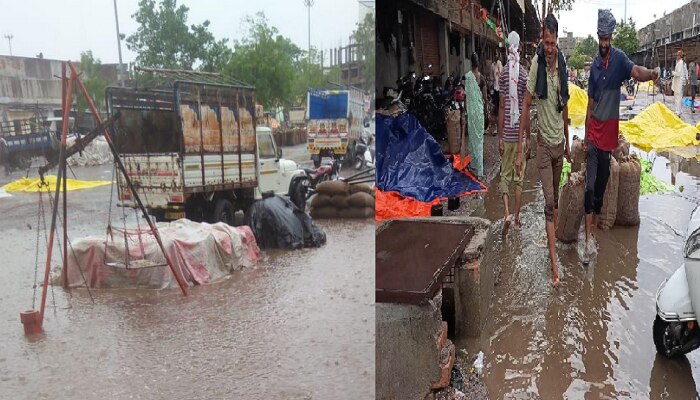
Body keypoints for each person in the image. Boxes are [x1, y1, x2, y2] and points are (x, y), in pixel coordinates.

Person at [582, 9, 659, 264]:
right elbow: (590, 104)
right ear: (597, 37)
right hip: (594, 136)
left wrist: (651, 75)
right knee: (589, 186)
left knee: (601, 188)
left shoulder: (619, 60)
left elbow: (636, 71)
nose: (604, 43)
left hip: (609, 139)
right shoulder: (593, 66)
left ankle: (593, 228)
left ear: (611, 37)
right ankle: (587, 238)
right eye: (600, 39)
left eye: (607, 38)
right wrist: (585, 137)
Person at [516, 13, 570, 286]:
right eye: (546, 43)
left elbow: (566, 105)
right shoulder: (536, 63)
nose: (549, 48)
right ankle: (553, 264)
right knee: (549, 202)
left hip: (560, 145)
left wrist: (569, 143)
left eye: (553, 43)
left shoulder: (562, 64)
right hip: (543, 147)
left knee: (556, 201)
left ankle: (551, 244)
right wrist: (521, 146)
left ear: (557, 40)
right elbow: (525, 104)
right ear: (542, 39)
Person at [498, 31, 529, 233]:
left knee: (504, 176)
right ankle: (517, 219)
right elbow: (525, 111)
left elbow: (501, 107)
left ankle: (506, 212)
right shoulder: (525, 75)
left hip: (507, 136)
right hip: (519, 138)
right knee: (519, 179)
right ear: (520, 48)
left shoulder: (503, 75)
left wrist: (499, 136)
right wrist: (527, 137)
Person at [466, 52, 485, 179]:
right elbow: (485, 96)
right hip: (479, 112)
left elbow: (466, 96)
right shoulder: (481, 78)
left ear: (471, 63)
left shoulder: (467, 77)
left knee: (473, 139)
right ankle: (477, 166)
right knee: (479, 140)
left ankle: (476, 166)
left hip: (472, 112)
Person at [672, 49, 688, 116]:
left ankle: (677, 111)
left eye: (677, 55)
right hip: (680, 82)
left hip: (679, 82)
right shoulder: (681, 62)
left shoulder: (681, 63)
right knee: (679, 97)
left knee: (677, 97)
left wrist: (673, 72)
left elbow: (678, 73)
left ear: (680, 56)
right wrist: (686, 79)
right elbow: (685, 72)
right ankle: (679, 110)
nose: (676, 56)